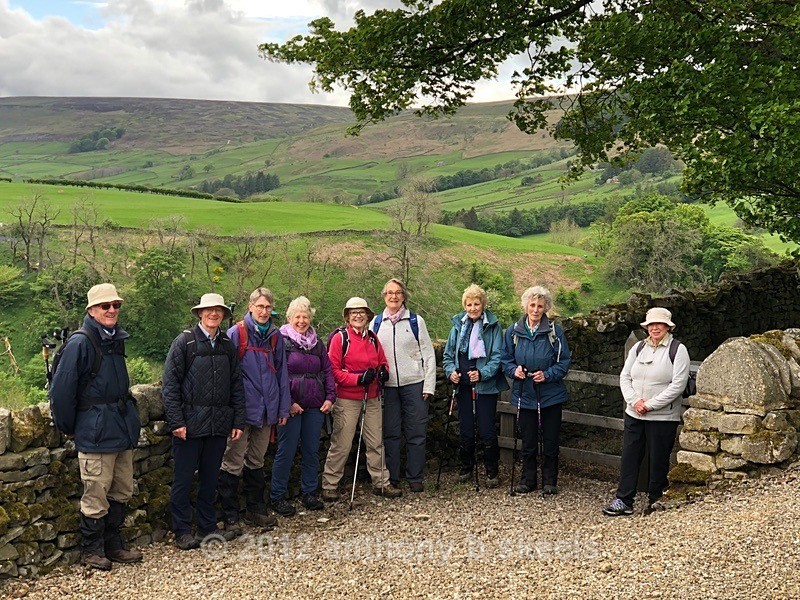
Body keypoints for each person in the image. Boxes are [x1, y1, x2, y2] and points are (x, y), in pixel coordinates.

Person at [50, 283, 143, 570]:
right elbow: (62, 391)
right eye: (105, 306)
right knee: (96, 494)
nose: (112, 310)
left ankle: (113, 546)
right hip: (95, 431)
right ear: (91, 310)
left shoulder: (114, 339)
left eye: (116, 305)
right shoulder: (81, 343)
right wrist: (70, 428)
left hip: (120, 428)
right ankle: (92, 550)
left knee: (121, 490)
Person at [162, 293, 246, 550]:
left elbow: (236, 384)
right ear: (199, 313)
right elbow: (170, 384)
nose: (213, 314)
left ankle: (207, 526)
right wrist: (176, 421)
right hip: (189, 424)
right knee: (183, 479)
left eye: (218, 311)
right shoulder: (184, 343)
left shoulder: (226, 344)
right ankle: (182, 530)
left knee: (210, 478)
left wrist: (238, 420)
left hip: (218, 423)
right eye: (209, 310)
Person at [603, 307, 689, 516]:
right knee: (630, 456)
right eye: (651, 324)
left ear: (668, 327)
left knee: (658, 457)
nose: (655, 328)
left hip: (662, 416)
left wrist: (649, 405)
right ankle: (624, 500)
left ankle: (655, 499)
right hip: (635, 413)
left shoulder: (678, 350)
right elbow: (625, 377)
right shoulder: (639, 348)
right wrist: (635, 402)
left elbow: (677, 386)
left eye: (659, 324)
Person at [217, 288, 289, 528]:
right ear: (250, 307)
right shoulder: (236, 334)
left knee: (257, 460)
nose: (264, 311)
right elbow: (226, 375)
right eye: (260, 306)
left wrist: (282, 409)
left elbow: (282, 374)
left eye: (268, 307)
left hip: (267, 410)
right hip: (243, 410)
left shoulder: (276, 337)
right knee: (233, 460)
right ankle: (229, 515)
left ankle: (255, 510)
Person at [321, 297, 401, 500]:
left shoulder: (372, 338)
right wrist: (358, 379)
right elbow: (333, 371)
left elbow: (382, 362)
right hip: (347, 399)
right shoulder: (341, 339)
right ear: (348, 317)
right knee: (342, 443)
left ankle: (381, 483)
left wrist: (383, 371)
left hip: (372, 397)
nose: (358, 316)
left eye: (361, 312)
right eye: (353, 312)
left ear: (367, 316)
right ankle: (330, 485)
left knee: (376, 442)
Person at [501, 286, 571, 496]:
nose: (535, 309)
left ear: (546, 307)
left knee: (550, 441)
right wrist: (515, 371)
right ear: (525, 306)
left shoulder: (554, 332)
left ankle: (550, 481)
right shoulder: (514, 331)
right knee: (528, 441)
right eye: (532, 305)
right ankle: (527, 480)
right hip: (525, 394)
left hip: (550, 395)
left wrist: (547, 374)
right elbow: (505, 359)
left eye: (540, 305)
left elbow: (564, 362)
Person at [269, 296, 335, 513]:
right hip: (292, 407)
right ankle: (277, 496)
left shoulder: (317, 343)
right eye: (297, 316)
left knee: (311, 451)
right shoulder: (281, 340)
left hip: (315, 405)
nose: (301, 320)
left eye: (305, 316)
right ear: (289, 318)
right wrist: (288, 403)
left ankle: (309, 493)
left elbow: (327, 370)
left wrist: (330, 397)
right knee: (286, 451)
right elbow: (277, 373)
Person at [371, 278, 436, 493]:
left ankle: (415, 476)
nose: (393, 296)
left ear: (404, 296)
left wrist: (429, 385)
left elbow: (428, 354)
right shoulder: (376, 323)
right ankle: (393, 477)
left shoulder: (416, 321)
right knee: (390, 433)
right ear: (384, 296)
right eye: (389, 293)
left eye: (398, 292)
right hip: (387, 387)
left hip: (414, 384)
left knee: (416, 432)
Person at [442, 284, 509, 488]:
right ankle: (466, 468)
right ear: (464, 305)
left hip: (485, 386)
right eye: (469, 304)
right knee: (466, 429)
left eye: (476, 304)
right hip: (462, 385)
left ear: (483, 304)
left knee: (487, 429)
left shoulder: (493, 327)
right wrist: (451, 371)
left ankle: (491, 471)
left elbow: (498, 357)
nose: (472, 308)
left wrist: (482, 374)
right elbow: (448, 355)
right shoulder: (457, 326)